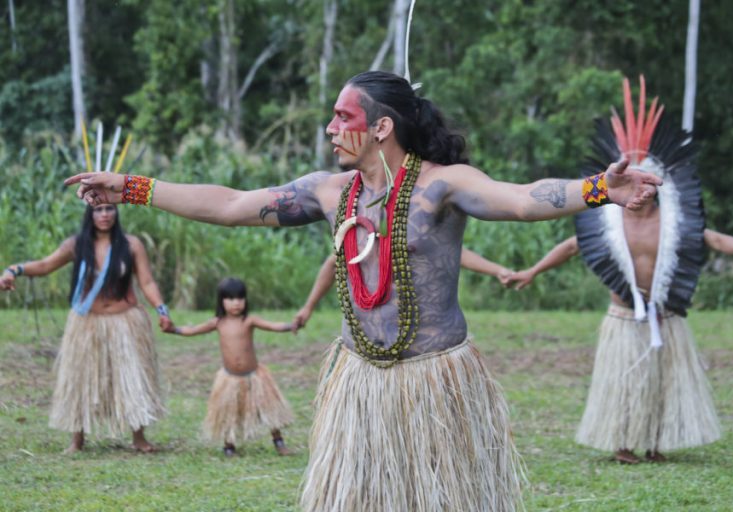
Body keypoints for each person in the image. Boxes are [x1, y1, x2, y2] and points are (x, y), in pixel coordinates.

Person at [66, 70, 660, 511]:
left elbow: (524, 199)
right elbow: (229, 205)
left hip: (435, 383)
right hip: (360, 385)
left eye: (342, 117)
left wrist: (597, 189)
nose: (330, 128)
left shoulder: (443, 186)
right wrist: (131, 186)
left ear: (381, 127)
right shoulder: (330, 192)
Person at [500, 77, 733, 464]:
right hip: (623, 315)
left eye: (645, 185)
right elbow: (573, 245)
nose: (639, 192)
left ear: (657, 185)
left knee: (663, 382)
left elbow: (712, 239)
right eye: (631, 184)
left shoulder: (674, 221)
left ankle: (657, 441)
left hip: (666, 313)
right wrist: (532, 272)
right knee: (624, 381)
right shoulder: (608, 218)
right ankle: (622, 442)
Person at [0, 204, 173, 453]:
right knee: (81, 379)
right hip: (86, 323)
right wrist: (13, 271)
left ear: (116, 212)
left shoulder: (131, 245)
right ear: (89, 214)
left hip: (125, 321)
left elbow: (146, 281)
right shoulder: (76, 244)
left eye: (109, 208)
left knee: (132, 377)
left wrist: (161, 309)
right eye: (98, 209)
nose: (104, 214)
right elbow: (45, 265)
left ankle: (139, 438)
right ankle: (77, 440)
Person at [171, 277, 296, 457]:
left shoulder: (249, 321)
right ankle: (229, 446)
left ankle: (279, 442)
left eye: (240, 298)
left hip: (254, 376)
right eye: (230, 299)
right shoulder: (217, 323)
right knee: (229, 412)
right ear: (221, 301)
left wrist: (291, 326)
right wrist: (173, 329)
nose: (236, 303)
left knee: (269, 410)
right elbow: (193, 330)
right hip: (229, 379)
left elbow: (271, 325)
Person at [293, 248, 519, 329]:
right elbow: (334, 262)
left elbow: (453, 253)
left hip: (421, 335)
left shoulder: (418, 228)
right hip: (372, 334)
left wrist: (497, 270)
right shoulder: (366, 233)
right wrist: (308, 307)